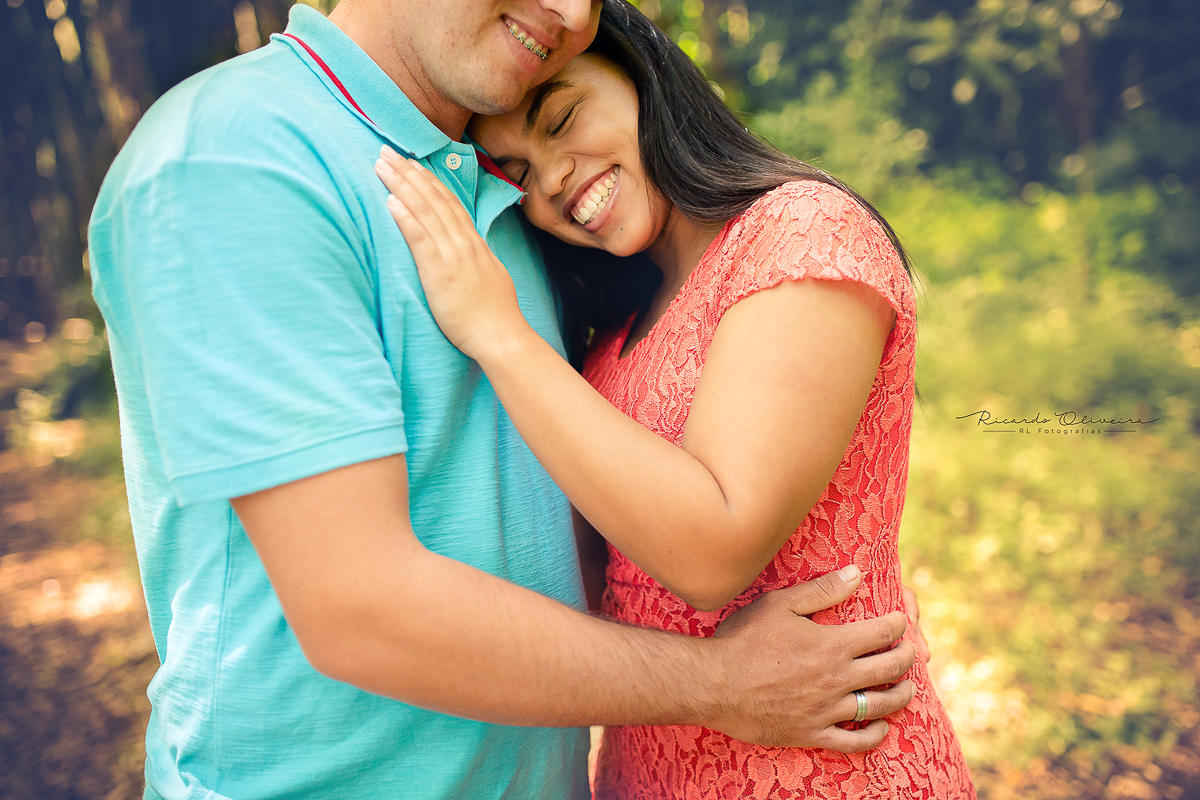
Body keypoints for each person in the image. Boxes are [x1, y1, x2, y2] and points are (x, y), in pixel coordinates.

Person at [86, 0, 918, 798]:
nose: (573, 12)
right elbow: (358, 606)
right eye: (525, 159)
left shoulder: (496, 187)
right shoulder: (235, 158)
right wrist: (718, 681)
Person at [374, 1, 974, 797]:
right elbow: (598, 580)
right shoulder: (614, 331)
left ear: (641, 75)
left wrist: (499, 334)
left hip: (828, 770)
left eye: (561, 120)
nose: (550, 180)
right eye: (516, 171)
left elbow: (711, 552)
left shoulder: (801, 232)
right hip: (645, 773)